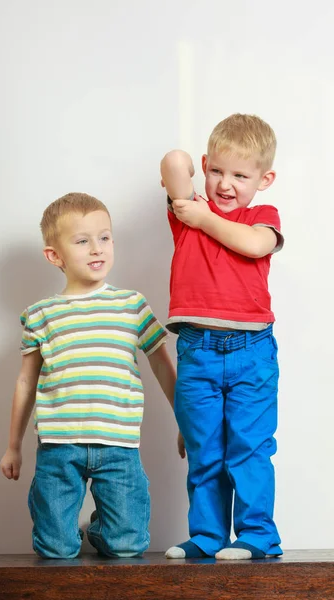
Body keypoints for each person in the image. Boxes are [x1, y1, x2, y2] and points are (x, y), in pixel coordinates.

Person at [0, 192, 176, 559]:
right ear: (55, 256)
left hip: (119, 444)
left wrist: (185, 421)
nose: (97, 249)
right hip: (58, 446)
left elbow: (162, 365)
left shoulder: (131, 305)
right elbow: (25, 383)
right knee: (55, 549)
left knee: (126, 545)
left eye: (105, 237)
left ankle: (98, 528)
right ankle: (65, 533)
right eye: (83, 241)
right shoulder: (40, 315)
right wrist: (13, 444)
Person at [160, 114, 284, 560]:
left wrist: (203, 216)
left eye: (240, 175)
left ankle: (256, 537)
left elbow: (253, 246)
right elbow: (174, 161)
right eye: (216, 171)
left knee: (248, 450)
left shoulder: (261, 217)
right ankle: (207, 536)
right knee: (204, 450)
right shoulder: (186, 213)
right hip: (196, 349)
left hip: (251, 350)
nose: (225, 184)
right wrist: (191, 197)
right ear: (205, 165)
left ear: (264, 179)